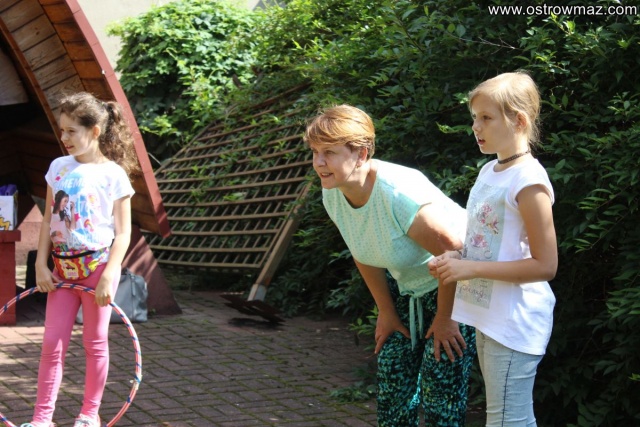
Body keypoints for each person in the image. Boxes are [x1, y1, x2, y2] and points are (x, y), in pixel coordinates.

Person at [304, 104, 476, 426]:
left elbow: (454, 252)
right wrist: (386, 310)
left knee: (441, 400)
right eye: (314, 152)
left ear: (361, 154)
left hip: (459, 289)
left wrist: (445, 317)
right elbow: (362, 250)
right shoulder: (334, 193)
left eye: (329, 152)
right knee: (393, 392)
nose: (319, 162)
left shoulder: (397, 194)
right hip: (408, 292)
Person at [430, 71, 557, 426]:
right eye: (474, 117)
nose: (476, 126)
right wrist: (458, 259)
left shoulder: (529, 181)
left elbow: (545, 265)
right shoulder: (489, 171)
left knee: (506, 421)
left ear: (519, 121)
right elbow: (491, 245)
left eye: (486, 117)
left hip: (515, 320)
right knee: (508, 419)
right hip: (488, 315)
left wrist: (470, 268)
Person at [22, 92, 138, 427]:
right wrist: (40, 265)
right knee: (51, 344)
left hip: (97, 270)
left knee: (94, 343)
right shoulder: (58, 167)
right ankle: (42, 418)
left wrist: (109, 274)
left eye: (72, 131)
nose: (64, 137)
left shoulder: (113, 175)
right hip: (61, 271)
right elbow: (49, 220)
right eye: (62, 130)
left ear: (95, 131)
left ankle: (89, 414)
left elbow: (123, 232)